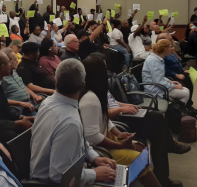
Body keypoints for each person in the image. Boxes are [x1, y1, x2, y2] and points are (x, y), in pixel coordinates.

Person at [30, 59, 117, 186]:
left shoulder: (47, 103)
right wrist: (94, 174)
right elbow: (59, 176)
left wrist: (94, 157)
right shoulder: (69, 123)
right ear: (83, 86)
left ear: (55, 80)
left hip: (72, 171)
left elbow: (81, 142)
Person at [80, 54, 162, 187]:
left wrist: (119, 134)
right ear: (98, 73)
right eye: (104, 68)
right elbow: (92, 137)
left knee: (140, 147)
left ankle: (135, 180)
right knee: (138, 159)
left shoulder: (96, 94)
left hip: (107, 140)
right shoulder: (90, 99)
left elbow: (105, 119)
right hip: (99, 149)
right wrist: (120, 145)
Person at [142, 39, 190, 105]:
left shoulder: (157, 58)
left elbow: (160, 77)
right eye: (170, 47)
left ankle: (177, 109)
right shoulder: (154, 61)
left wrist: (170, 81)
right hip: (154, 89)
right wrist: (173, 86)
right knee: (185, 94)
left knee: (186, 90)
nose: (171, 49)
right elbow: (158, 81)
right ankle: (177, 112)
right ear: (165, 49)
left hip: (158, 86)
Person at [157, 33, 196, 112]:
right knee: (185, 89)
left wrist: (174, 53)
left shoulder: (169, 50)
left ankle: (188, 105)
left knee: (189, 82)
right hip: (171, 76)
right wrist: (176, 77)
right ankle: (181, 111)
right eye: (170, 40)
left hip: (178, 73)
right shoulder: (161, 55)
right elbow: (164, 71)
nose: (173, 41)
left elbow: (179, 61)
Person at [1, 48, 43, 118]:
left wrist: (34, 95)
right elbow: (2, 101)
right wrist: (21, 104)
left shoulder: (14, 72)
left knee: (50, 106)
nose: (17, 61)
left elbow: (23, 86)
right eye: (14, 60)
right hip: (19, 109)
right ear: (7, 62)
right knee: (43, 117)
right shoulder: (2, 78)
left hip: (30, 102)